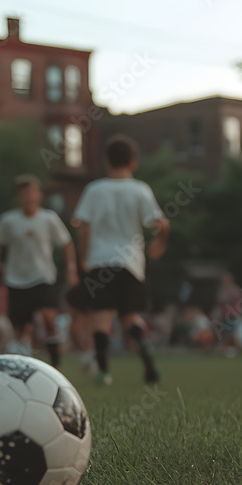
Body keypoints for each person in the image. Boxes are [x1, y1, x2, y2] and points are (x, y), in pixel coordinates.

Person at [72, 134, 169, 385]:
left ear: (106, 161)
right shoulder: (140, 189)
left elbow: (83, 226)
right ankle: (145, 353)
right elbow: (160, 223)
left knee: (102, 317)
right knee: (130, 316)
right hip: (131, 262)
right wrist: (160, 242)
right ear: (133, 162)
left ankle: (104, 371)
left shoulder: (94, 189)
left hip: (101, 259)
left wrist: (83, 256)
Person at [0, 174, 77, 367]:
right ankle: (21, 365)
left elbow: (66, 243)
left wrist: (71, 268)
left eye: (32, 192)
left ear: (39, 196)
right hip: (16, 278)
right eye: (24, 193)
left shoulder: (49, 218)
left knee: (49, 318)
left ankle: (56, 363)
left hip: (43, 276)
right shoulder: (9, 220)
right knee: (21, 327)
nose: (28, 197)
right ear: (19, 197)